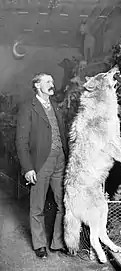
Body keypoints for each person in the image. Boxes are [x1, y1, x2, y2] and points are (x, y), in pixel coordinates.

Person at [16, 73, 68, 259]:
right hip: (40, 162)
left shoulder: (56, 107)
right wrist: (28, 167)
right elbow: (21, 141)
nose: (51, 84)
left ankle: (58, 242)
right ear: (37, 85)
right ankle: (40, 245)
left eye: (52, 81)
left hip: (60, 159)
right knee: (37, 206)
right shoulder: (27, 108)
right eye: (47, 81)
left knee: (63, 203)